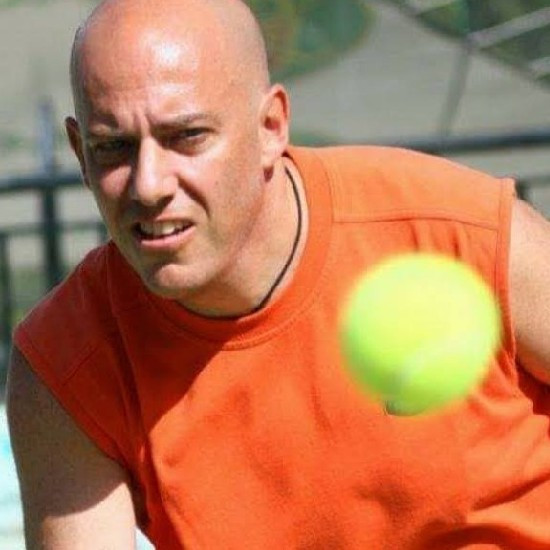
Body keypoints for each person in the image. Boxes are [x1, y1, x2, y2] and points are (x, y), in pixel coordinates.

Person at [6, 0, 550, 548]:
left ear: (270, 127)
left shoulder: (461, 230)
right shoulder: (67, 362)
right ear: (79, 153)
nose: (148, 185)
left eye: (187, 136)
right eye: (112, 148)